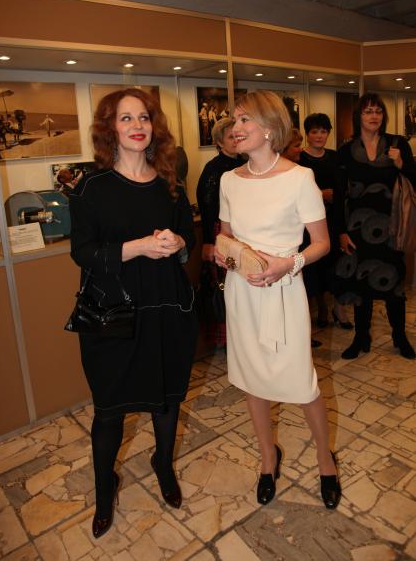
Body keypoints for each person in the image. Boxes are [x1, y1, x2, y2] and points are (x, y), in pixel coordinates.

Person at [69, 88, 198, 539]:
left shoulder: (170, 183)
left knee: (166, 399)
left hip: (167, 306)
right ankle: (105, 488)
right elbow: (82, 252)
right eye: (125, 118)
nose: (137, 126)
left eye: (143, 117)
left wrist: (179, 243)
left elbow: (188, 238)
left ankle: (163, 464)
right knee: (109, 411)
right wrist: (138, 247)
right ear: (110, 129)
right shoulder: (91, 188)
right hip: (113, 314)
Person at [214, 90, 341, 510]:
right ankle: (268, 458)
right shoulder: (229, 180)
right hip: (242, 294)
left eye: (244, 119)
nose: (235, 128)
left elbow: (321, 243)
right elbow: (226, 237)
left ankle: (325, 459)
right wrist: (225, 254)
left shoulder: (300, 178)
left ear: (269, 128)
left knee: (302, 383)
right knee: (252, 380)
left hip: (284, 293)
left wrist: (289, 263)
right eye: (234, 120)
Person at [333, 92, 416, 360]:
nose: (374, 116)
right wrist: (341, 231)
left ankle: (399, 336)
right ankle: (361, 337)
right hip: (358, 229)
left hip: (391, 228)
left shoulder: (398, 144)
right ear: (358, 116)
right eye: (368, 111)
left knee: (394, 286)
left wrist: (401, 163)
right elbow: (339, 195)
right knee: (362, 285)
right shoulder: (345, 151)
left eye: (378, 111)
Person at [300, 113, 352, 329]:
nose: (319, 136)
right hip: (308, 224)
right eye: (314, 131)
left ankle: (338, 308)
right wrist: (320, 195)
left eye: (323, 131)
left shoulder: (335, 157)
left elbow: (342, 190)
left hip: (334, 219)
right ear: (307, 134)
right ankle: (321, 307)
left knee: (338, 264)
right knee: (315, 268)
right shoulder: (299, 159)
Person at [196, 117, 244, 349]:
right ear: (219, 142)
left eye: (237, 135)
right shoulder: (213, 168)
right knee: (224, 285)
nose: (235, 140)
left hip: (244, 232)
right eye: (230, 137)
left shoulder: (246, 162)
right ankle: (226, 340)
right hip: (221, 232)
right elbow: (207, 206)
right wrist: (208, 240)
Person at [283, 128, 323, 349]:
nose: (300, 150)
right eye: (296, 146)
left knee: (307, 288)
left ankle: (301, 336)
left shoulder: (302, 174)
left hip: (307, 241)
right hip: (294, 243)